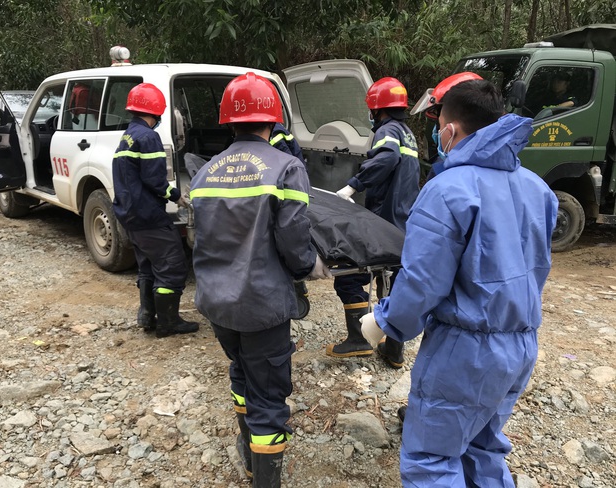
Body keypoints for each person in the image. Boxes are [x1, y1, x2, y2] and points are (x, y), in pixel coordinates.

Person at [360, 79, 558, 486]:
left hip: (466, 353)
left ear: (449, 129)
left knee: (431, 459)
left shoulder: (448, 190)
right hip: (520, 345)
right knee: (483, 449)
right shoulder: (538, 189)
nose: (437, 134)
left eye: (438, 126)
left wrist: (386, 322)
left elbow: (421, 283)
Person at [189, 72, 331, 487]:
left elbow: (202, 238)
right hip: (262, 305)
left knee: (240, 371)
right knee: (268, 393)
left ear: (228, 122)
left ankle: (248, 451)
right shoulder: (286, 167)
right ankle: (263, 477)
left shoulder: (205, 172)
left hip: (217, 302)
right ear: (273, 120)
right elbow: (293, 238)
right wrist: (309, 268)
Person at [327, 77, 420, 369]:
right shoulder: (407, 133)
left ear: (376, 108)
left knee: (349, 271)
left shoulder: (388, 131)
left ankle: (358, 340)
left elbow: (386, 158)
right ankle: (393, 351)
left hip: (383, 220)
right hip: (403, 221)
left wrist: (353, 185)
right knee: (392, 284)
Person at [112, 82, 199, 339]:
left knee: (148, 265)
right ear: (158, 110)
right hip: (147, 215)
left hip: (130, 215)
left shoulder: (129, 134)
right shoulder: (149, 137)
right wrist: (178, 198)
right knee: (172, 265)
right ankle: (169, 323)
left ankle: (148, 316)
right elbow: (155, 181)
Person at [411, 72, 483, 181]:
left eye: (439, 124)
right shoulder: (509, 167)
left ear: (452, 129)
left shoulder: (443, 174)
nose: (437, 131)